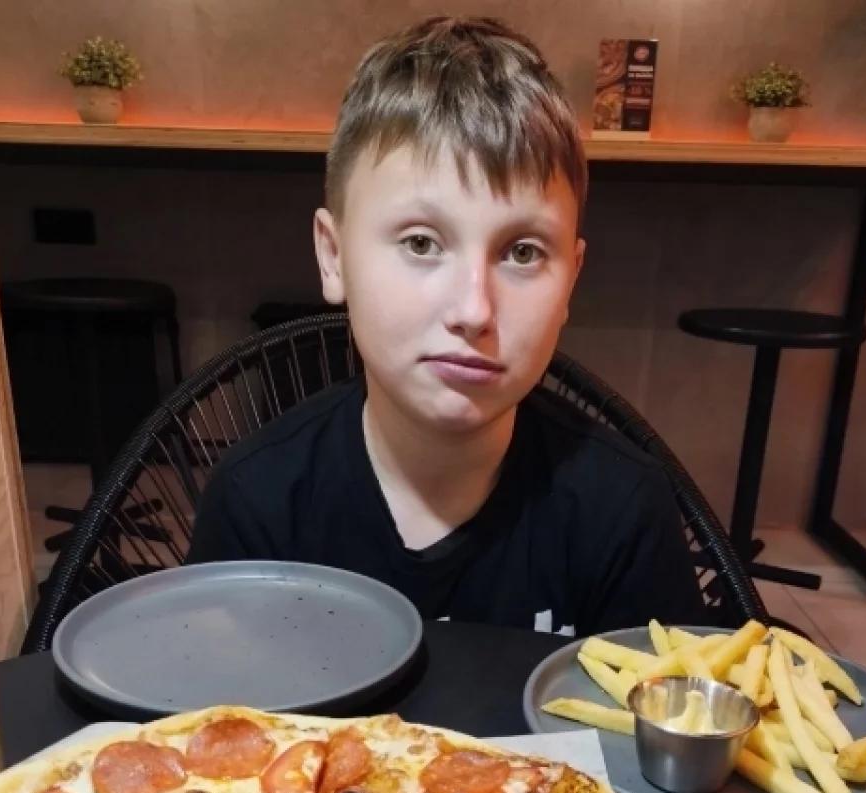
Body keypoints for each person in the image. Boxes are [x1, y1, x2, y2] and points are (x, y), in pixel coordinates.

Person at [186, 16, 706, 634]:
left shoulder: (622, 510)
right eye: (421, 243)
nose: (473, 310)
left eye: (522, 252)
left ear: (571, 279)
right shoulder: (259, 503)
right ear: (334, 256)